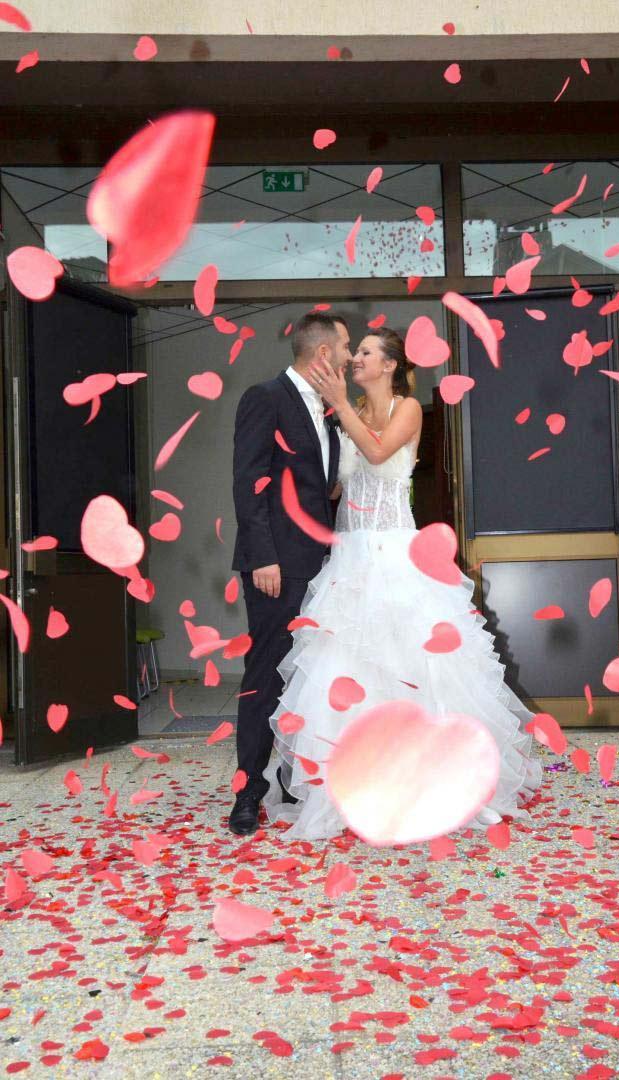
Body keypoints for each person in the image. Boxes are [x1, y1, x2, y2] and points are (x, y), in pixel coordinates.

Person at [261, 326, 542, 841]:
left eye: (366, 352)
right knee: (349, 668)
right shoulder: (348, 412)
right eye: (356, 351)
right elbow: (336, 485)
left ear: (389, 364)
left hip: (396, 554)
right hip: (350, 556)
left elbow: (377, 452)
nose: (356, 358)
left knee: (416, 666)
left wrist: (338, 406)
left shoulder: (407, 409)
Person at [228, 312, 352, 836]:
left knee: (307, 678)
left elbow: (318, 488)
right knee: (266, 675)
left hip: (320, 566)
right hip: (276, 566)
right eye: (345, 346)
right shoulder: (266, 398)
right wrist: (263, 557)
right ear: (323, 353)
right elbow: (249, 481)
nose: (349, 355)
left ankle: (294, 780)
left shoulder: (330, 410)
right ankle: (247, 793)